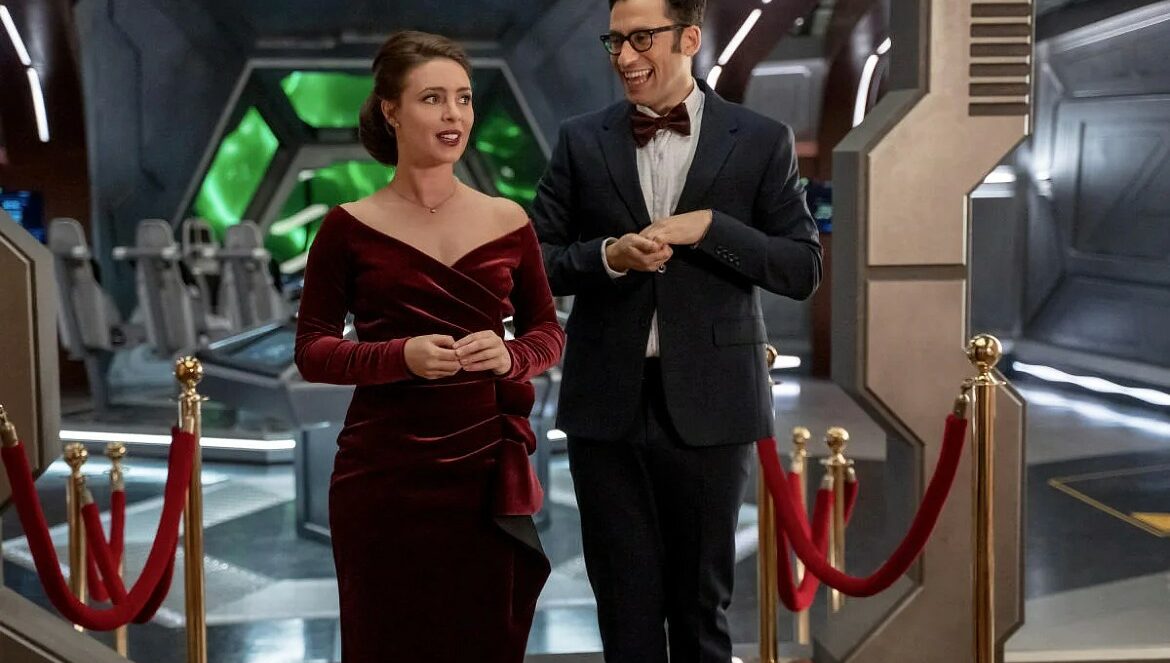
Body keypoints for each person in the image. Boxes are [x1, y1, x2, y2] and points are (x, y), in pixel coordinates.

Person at [531, 0, 822, 660]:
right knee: (623, 608)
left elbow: (801, 268)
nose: (625, 57)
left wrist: (712, 228)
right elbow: (536, 261)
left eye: (641, 39)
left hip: (716, 401)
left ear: (689, 37)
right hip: (606, 404)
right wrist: (608, 255)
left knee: (700, 607)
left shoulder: (762, 138)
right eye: (615, 42)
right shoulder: (580, 139)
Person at [294, 30, 565, 662]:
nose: (454, 115)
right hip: (382, 479)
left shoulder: (509, 219)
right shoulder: (346, 226)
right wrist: (400, 356)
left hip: (484, 475)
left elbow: (548, 332)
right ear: (391, 110)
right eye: (433, 98)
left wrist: (513, 356)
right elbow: (311, 350)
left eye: (464, 99)